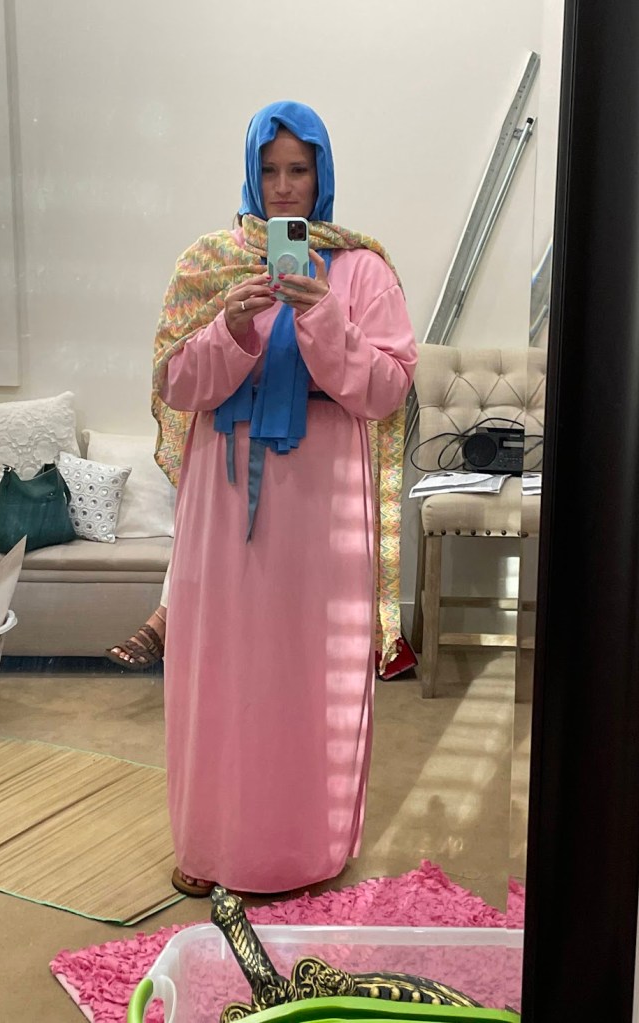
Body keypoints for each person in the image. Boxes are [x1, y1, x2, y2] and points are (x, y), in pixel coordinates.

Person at [152, 100, 417, 897]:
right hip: (222, 499)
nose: (283, 186)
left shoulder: (362, 270)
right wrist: (228, 329)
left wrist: (324, 316)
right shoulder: (211, 263)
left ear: (321, 174)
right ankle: (210, 843)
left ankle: (305, 850)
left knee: (311, 673)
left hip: (320, 506)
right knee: (216, 669)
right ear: (250, 173)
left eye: (299, 169)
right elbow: (175, 384)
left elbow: (386, 387)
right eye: (269, 169)